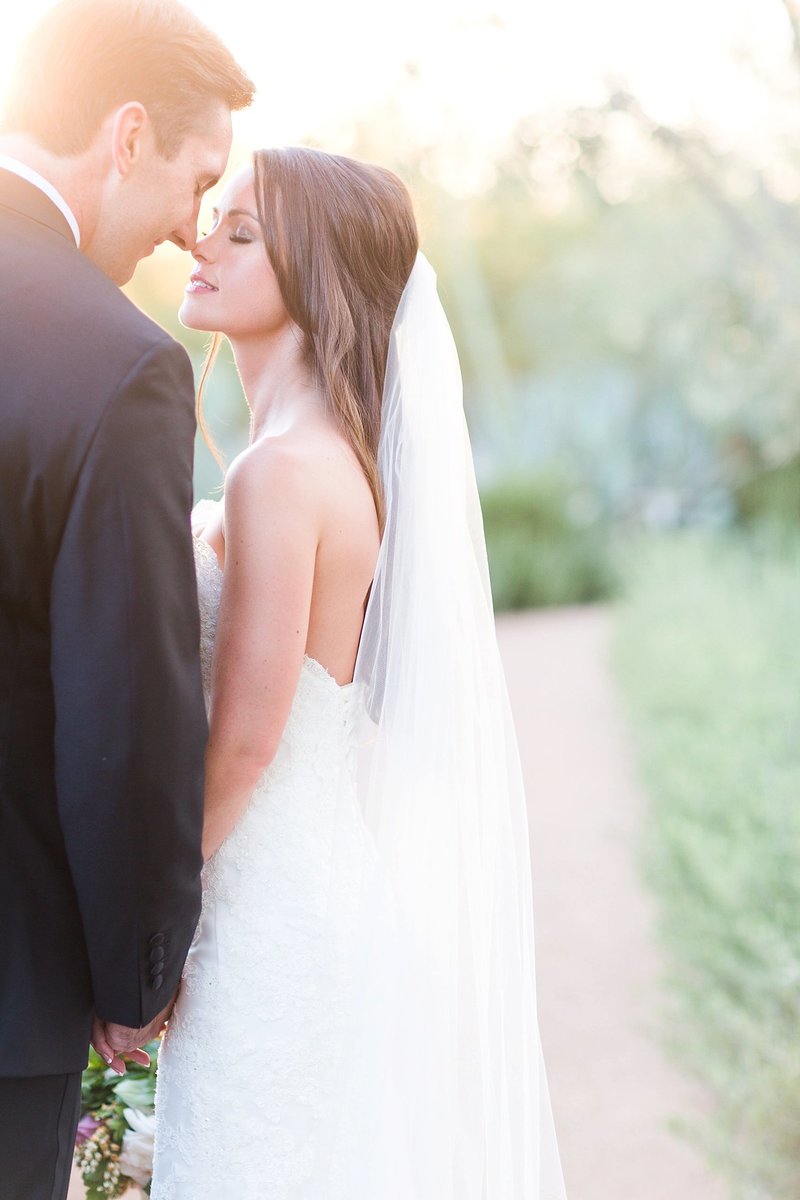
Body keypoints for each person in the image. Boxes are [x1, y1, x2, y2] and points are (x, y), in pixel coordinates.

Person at [151, 147, 567, 1199]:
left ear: (314, 275)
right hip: (308, 882)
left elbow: (246, 739)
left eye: (240, 234)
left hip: (261, 913)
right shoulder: (320, 453)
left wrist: (153, 930)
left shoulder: (281, 472)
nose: (200, 241)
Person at [0, 1, 254, 1196]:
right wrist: (136, 973)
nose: (185, 232)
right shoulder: (115, 363)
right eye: (194, 181)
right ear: (129, 133)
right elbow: (122, 713)